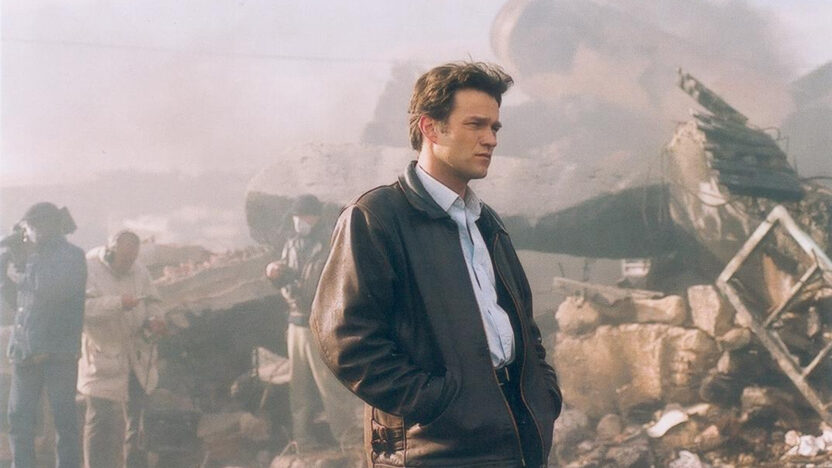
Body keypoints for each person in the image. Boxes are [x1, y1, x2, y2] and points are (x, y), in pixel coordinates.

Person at [311, 62, 563, 467]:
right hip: (437, 448)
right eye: (475, 125)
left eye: (494, 127)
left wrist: (544, 394)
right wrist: (437, 404)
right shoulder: (376, 217)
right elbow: (346, 340)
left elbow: (522, 325)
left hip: (517, 437)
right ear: (430, 128)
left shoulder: (486, 222)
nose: (490, 139)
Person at [265, 195, 360, 452]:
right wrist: (277, 275)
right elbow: (288, 278)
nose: (299, 222)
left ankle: (347, 440)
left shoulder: (329, 243)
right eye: (296, 217)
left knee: (330, 387)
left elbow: (339, 282)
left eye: (303, 216)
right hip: (296, 322)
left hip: (321, 323)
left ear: (315, 217)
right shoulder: (292, 243)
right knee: (299, 387)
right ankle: (303, 441)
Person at [6, 202, 86, 468]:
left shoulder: (71, 256)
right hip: (26, 349)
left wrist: (27, 261)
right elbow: (21, 302)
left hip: (57, 352)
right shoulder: (33, 256)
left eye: (30, 227)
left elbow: (51, 292)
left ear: (47, 226)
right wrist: (7, 275)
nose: (27, 234)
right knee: (19, 418)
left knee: (64, 420)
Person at [78, 230, 166, 468]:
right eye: (125, 259)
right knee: (100, 422)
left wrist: (154, 319)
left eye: (132, 259)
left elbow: (153, 301)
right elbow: (81, 308)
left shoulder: (139, 270)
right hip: (103, 355)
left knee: (138, 422)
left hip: (136, 356)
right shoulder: (88, 268)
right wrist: (118, 304)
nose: (129, 264)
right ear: (110, 252)